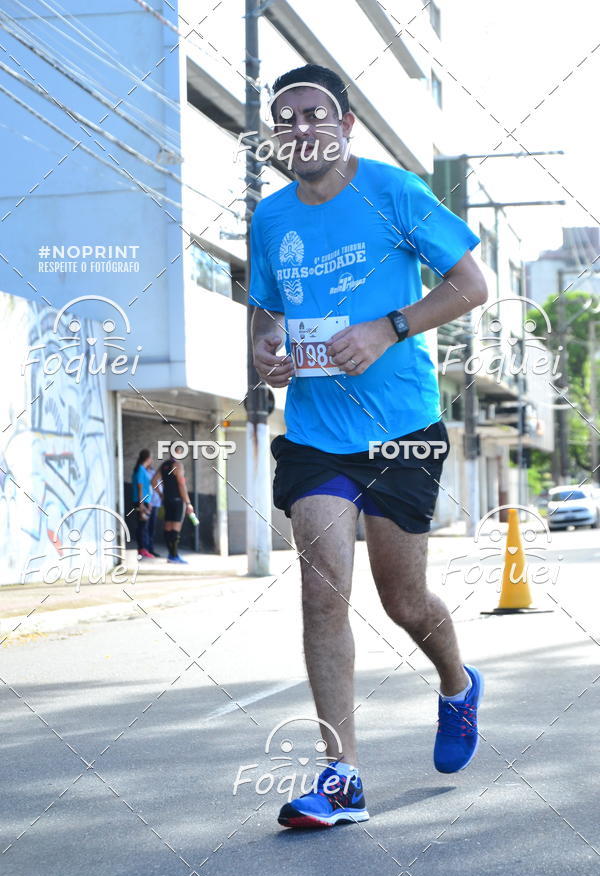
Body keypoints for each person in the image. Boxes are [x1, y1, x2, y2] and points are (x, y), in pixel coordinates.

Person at [249, 64, 489, 828]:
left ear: (346, 124)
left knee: (403, 599)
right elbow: (264, 316)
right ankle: (341, 774)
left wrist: (389, 329)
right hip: (317, 432)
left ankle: (456, 684)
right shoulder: (270, 219)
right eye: (286, 118)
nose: (301, 128)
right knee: (322, 591)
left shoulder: (392, 194)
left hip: (402, 428)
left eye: (315, 113)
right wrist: (267, 351)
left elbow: (471, 284)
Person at [152, 443, 195, 564]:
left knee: (167, 527)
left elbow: (154, 481)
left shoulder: (164, 465)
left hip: (167, 499)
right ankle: (174, 555)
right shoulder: (178, 465)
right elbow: (181, 484)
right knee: (175, 528)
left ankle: (171, 555)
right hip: (177, 500)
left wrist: (161, 494)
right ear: (179, 452)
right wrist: (188, 502)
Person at [132, 449, 154, 560]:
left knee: (144, 525)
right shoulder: (140, 470)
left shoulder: (144, 470)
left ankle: (144, 549)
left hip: (146, 501)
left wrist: (149, 502)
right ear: (147, 458)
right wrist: (141, 504)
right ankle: (142, 549)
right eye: (151, 457)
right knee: (142, 526)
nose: (152, 460)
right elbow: (140, 487)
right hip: (140, 501)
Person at [146, 464, 162, 557]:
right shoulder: (149, 474)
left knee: (151, 527)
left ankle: (150, 548)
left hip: (155, 503)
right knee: (149, 527)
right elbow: (149, 488)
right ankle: (148, 548)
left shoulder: (154, 473)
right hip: (151, 503)